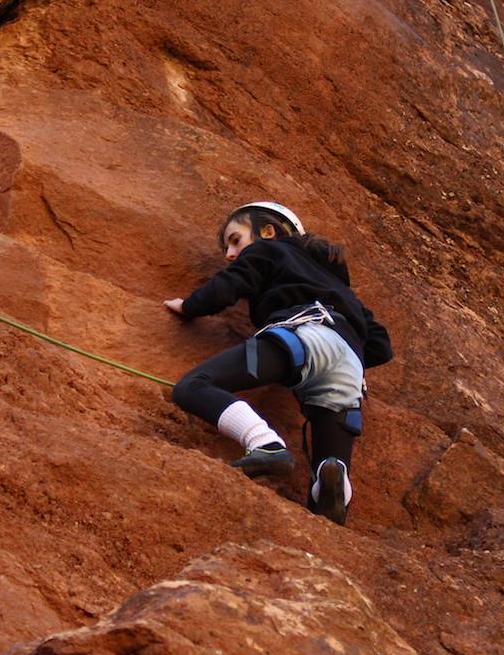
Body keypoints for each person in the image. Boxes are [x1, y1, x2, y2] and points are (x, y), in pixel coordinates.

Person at [164, 201, 392, 525]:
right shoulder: (342, 287)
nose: (230, 254)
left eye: (236, 240)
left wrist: (188, 306)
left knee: (192, 387)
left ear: (267, 232)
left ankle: (264, 443)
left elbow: (229, 286)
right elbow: (381, 345)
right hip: (350, 368)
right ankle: (334, 480)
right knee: (328, 482)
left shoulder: (270, 251)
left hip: (301, 338)